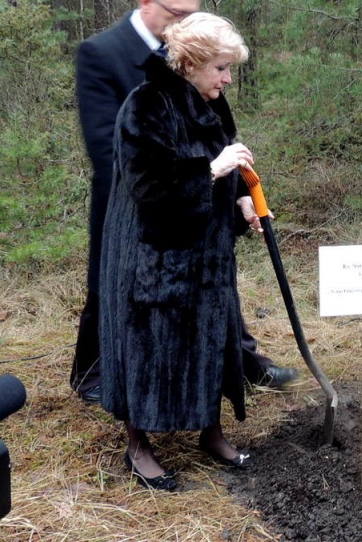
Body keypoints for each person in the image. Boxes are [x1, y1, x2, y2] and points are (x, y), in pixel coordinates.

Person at [72, 0, 297, 404]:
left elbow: (219, 144)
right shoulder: (104, 54)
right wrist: (163, 191)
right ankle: (99, 376)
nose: (183, 20)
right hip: (130, 203)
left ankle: (234, 366)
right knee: (115, 296)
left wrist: (238, 200)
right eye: (176, 12)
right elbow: (109, 149)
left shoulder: (203, 74)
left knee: (214, 292)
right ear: (147, 4)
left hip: (192, 202)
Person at [99, 12, 262, 490]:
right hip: (152, 256)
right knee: (146, 347)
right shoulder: (145, 105)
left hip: (206, 258)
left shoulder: (212, 104)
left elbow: (222, 173)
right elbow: (149, 188)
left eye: (230, 69)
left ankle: (210, 432)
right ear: (190, 62)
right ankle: (139, 445)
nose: (228, 78)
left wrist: (239, 204)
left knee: (211, 338)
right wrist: (211, 171)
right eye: (221, 68)